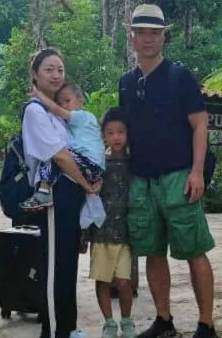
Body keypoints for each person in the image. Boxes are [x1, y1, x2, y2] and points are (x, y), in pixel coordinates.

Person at [119, 5, 217, 338]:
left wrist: (198, 172)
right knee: (153, 252)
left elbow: (200, 125)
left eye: (154, 32)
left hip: (179, 177)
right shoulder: (126, 83)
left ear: (164, 36)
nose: (147, 39)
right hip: (142, 182)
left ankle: (206, 324)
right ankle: (164, 321)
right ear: (131, 37)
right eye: (141, 32)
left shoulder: (180, 76)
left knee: (193, 250)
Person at [22, 47, 103, 338]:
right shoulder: (35, 111)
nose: (56, 75)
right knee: (57, 266)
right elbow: (60, 157)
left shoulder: (57, 113)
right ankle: (55, 331)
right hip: (56, 196)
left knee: (68, 263)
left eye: (60, 70)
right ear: (35, 74)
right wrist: (85, 182)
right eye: (49, 69)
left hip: (70, 197)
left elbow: (78, 149)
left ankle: (68, 328)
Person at [22, 82, 106, 229]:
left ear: (81, 100)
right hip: (93, 168)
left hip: (89, 164)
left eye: (67, 101)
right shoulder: (72, 126)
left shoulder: (83, 116)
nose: (64, 106)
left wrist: (38, 95)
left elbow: (55, 110)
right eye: (61, 102)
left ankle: (43, 191)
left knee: (52, 154)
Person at [89, 107, 136, 338]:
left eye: (121, 131)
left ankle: (127, 322)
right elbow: (88, 197)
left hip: (126, 234)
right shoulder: (98, 164)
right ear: (103, 136)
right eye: (110, 132)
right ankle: (109, 323)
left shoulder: (136, 164)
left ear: (128, 134)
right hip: (101, 232)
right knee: (102, 281)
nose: (116, 137)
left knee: (124, 282)